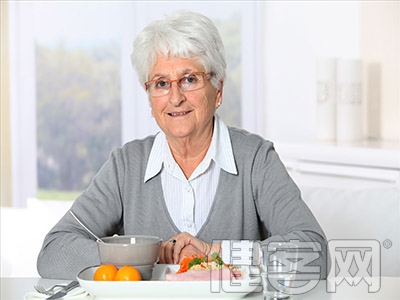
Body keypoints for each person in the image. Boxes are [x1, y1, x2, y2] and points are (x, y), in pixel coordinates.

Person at [37, 10, 328, 280]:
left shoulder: (256, 159)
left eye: (190, 79)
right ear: (150, 97)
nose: (175, 97)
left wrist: (217, 253)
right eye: (161, 83)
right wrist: (145, 255)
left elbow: (315, 255)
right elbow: (54, 252)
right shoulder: (126, 166)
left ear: (218, 90)